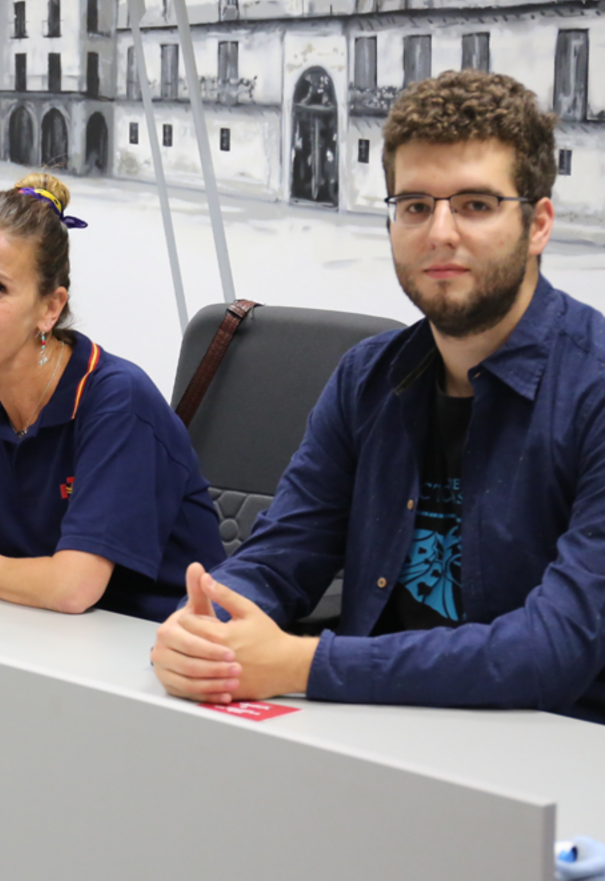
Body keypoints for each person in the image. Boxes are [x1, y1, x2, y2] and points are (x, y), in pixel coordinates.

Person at [150, 70, 605, 723]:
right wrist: (207, 628)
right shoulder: (367, 378)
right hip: (372, 729)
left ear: (538, 224)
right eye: (416, 205)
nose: (440, 232)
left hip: (550, 759)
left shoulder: (592, 390)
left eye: (475, 205)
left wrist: (302, 665)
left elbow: (553, 649)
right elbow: (282, 557)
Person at [0, 173, 225, 618]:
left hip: (161, 645)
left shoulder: (115, 400)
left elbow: (72, 588)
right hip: (42, 638)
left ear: (50, 308)